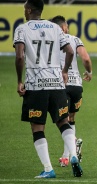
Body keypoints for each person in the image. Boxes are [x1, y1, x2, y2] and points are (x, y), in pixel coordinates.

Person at [14, 0, 83, 178]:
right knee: (63, 122)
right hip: (57, 84)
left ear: (29, 10)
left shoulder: (22, 29)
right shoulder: (55, 28)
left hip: (36, 85)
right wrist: (65, 71)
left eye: (24, 8)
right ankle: (74, 156)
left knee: (38, 128)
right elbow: (70, 51)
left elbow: (20, 56)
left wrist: (19, 81)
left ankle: (48, 169)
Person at [50, 15, 92, 167]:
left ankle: (69, 150)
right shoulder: (75, 39)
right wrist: (89, 72)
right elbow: (86, 59)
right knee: (71, 117)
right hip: (77, 86)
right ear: (65, 27)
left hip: (60, 84)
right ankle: (68, 153)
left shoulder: (51, 41)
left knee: (62, 120)